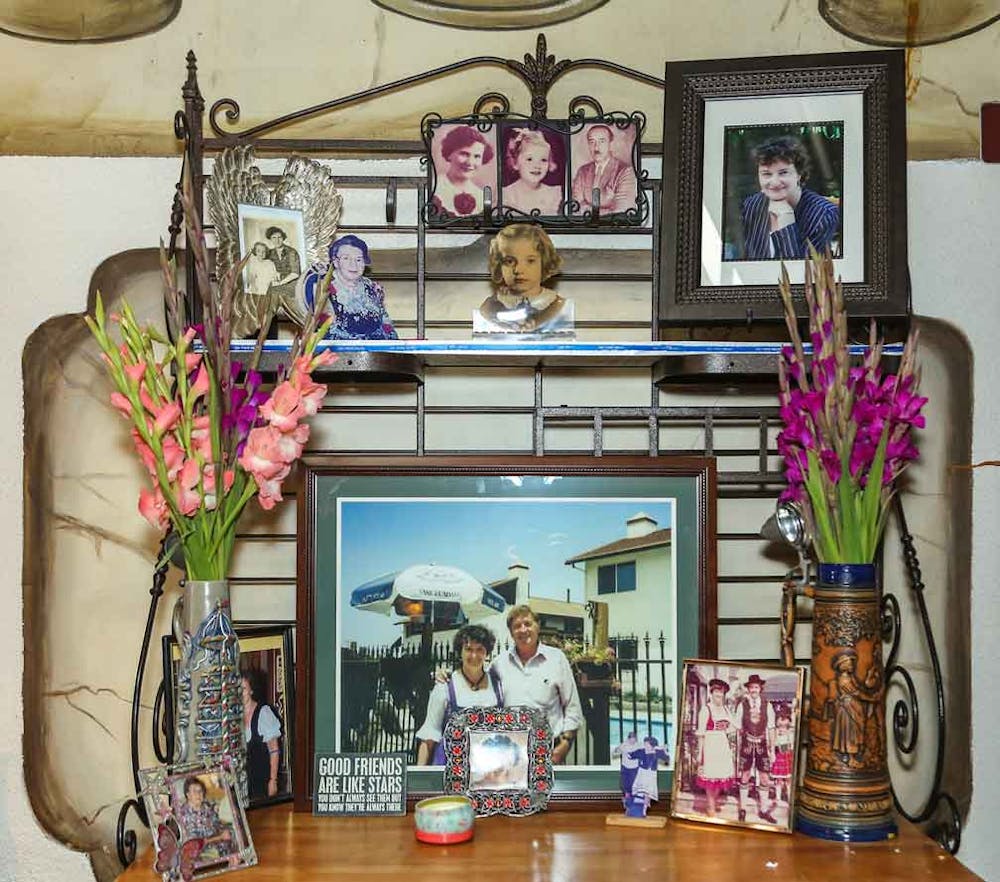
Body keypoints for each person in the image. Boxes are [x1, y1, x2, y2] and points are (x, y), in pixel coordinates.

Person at [490, 605, 582, 765]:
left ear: (537, 626)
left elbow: (572, 705)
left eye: (527, 624)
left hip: (549, 750)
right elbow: (476, 682)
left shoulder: (557, 659)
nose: (523, 630)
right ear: (511, 633)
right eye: (517, 626)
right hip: (510, 753)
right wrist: (446, 677)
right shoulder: (499, 664)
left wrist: (566, 743)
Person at [739, 136, 840, 260]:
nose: (775, 182)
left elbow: (802, 273)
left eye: (783, 173)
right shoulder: (752, 205)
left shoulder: (824, 214)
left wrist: (786, 222)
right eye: (766, 174)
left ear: (799, 174)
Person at [415, 624, 504, 765]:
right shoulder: (445, 687)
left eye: (480, 649)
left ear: (487, 653)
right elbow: (429, 736)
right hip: (452, 768)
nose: (474, 655)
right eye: (468, 649)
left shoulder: (498, 686)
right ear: (460, 652)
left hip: (487, 770)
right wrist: (419, 778)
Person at [475, 223, 573, 337]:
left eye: (530, 261)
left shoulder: (556, 303)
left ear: (544, 262)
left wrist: (537, 322)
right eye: (509, 262)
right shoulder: (493, 304)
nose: (518, 270)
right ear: (499, 266)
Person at [302, 234, 398, 340]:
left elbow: (385, 323)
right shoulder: (322, 286)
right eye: (346, 258)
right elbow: (326, 329)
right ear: (335, 262)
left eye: (358, 260)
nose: (353, 265)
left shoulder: (371, 287)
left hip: (375, 349)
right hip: (338, 350)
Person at [734, 672, 777, 823]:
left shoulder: (768, 705)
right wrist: (738, 749)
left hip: (762, 744)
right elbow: (738, 728)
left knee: (765, 778)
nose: (753, 690)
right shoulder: (742, 705)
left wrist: (772, 750)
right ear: (748, 689)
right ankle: (743, 809)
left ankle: (764, 810)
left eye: (756, 687)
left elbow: (771, 728)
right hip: (746, 743)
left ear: (760, 689)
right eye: (751, 687)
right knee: (745, 776)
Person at [570, 123, 638, 215]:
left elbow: (622, 211)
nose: (596, 147)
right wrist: (608, 208)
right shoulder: (583, 171)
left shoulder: (625, 171)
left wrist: (587, 208)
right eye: (592, 142)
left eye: (602, 141)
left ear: (611, 144)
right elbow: (575, 207)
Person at [695, 678, 736, 818]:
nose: (719, 696)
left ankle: (712, 803)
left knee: (720, 777)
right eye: (717, 693)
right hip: (710, 745)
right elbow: (701, 733)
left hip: (723, 745)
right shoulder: (706, 710)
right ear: (711, 694)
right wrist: (699, 753)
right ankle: (711, 807)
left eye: (722, 694)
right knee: (710, 777)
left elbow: (733, 726)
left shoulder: (726, 709)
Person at [432, 125, 494, 218]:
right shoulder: (434, 187)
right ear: (449, 153)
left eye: (477, 156)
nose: (470, 162)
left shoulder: (482, 196)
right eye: (464, 154)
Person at [176, 776, 238, 867]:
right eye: (194, 791)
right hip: (200, 847)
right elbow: (196, 842)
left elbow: (216, 823)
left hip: (216, 838)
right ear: (188, 794)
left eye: (200, 791)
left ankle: (233, 858)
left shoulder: (206, 806)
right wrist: (220, 836)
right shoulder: (184, 814)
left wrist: (224, 829)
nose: (198, 794)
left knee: (234, 830)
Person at [241, 668, 282, 801]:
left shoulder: (264, 713)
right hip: (242, 784)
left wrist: (273, 781)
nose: (240, 693)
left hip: (262, 782)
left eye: (243, 689)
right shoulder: (234, 716)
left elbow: (274, 750)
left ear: (251, 690)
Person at [501, 128, 563, 216]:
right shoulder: (506, 195)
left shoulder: (555, 193)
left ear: (550, 163)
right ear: (515, 162)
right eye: (529, 159)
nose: (537, 165)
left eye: (543, 160)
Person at [627, 735, 670, 814]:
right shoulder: (641, 751)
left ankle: (644, 809)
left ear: (652, 745)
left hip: (651, 774)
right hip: (642, 773)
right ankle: (633, 808)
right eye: (645, 744)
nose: (645, 745)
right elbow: (630, 755)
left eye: (647, 744)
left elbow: (667, 759)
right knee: (639, 791)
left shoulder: (657, 752)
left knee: (648, 792)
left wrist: (664, 750)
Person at [264, 226, 301, 304]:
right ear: (270, 239)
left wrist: (280, 283)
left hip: (291, 283)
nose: (277, 240)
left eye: (279, 237)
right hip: (275, 282)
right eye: (274, 237)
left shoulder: (291, 252)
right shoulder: (270, 253)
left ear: (283, 238)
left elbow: (295, 274)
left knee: (273, 293)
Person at [770, 704, 795, 803]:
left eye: (784, 727)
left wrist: (789, 745)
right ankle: (778, 796)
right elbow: (775, 742)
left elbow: (791, 745)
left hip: (787, 755)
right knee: (779, 779)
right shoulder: (777, 732)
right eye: (780, 726)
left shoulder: (790, 733)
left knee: (788, 779)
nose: (782, 729)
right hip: (779, 755)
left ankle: (788, 796)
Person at [611, 731, 640, 806]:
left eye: (634, 739)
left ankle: (632, 801)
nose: (632, 741)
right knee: (623, 784)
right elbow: (614, 753)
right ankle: (627, 799)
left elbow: (648, 749)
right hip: (625, 768)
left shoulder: (639, 745)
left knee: (633, 785)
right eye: (631, 739)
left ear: (636, 739)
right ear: (629, 738)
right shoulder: (624, 745)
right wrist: (617, 749)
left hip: (634, 768)